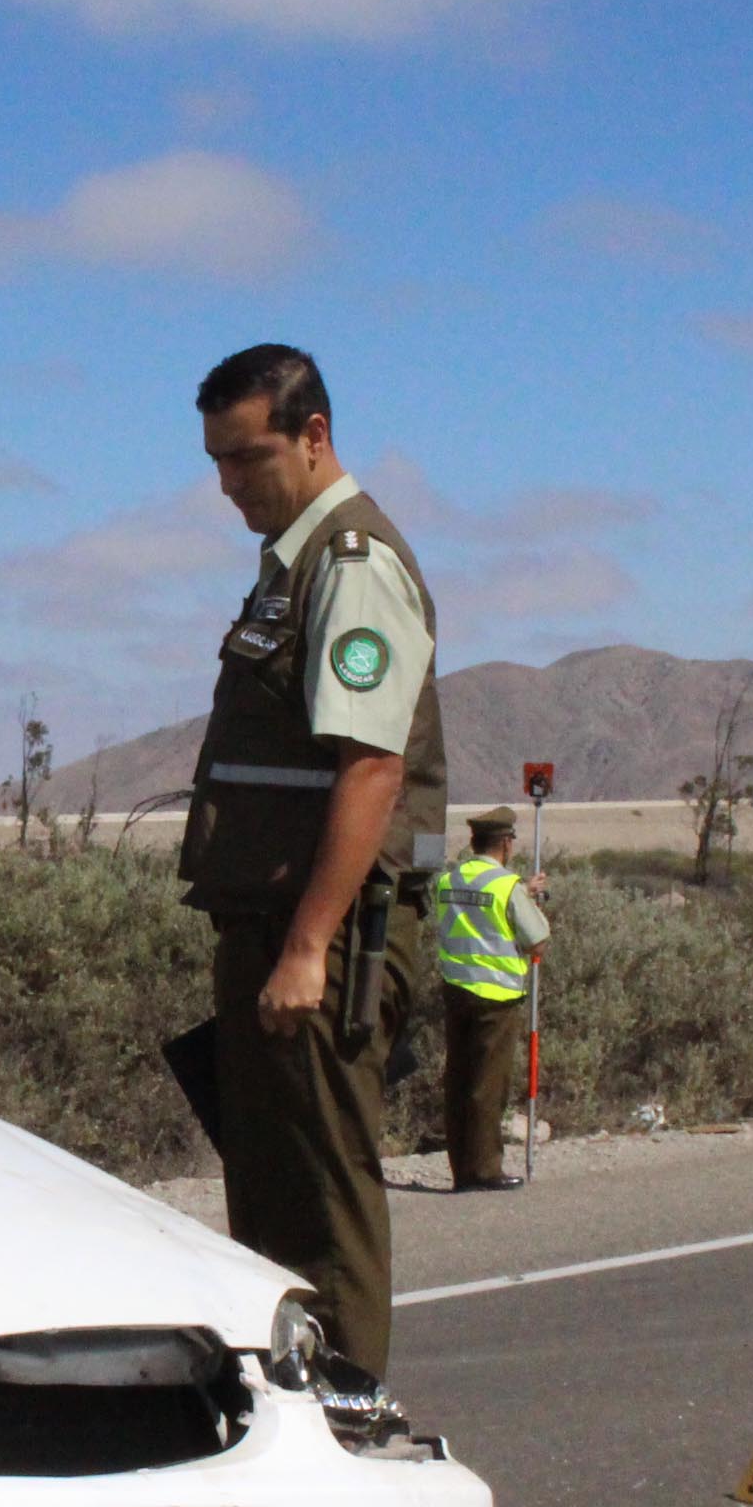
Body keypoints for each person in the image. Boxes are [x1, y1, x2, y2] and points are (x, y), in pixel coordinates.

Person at [179, 344, 446, 1379]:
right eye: (217, 461)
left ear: (314, 437)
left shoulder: (353, 565)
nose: (229, 484)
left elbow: (371, 771)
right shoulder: (293, 565)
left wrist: (307, 947)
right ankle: (300, 1412)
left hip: (326, 943)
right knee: (276, 1195)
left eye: (247, 458)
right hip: (278, 932)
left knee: (324, 1202)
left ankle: (350, 1414)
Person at [430, 807, 550, 1193]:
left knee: (459, 1079)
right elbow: (536, 940)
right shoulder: (505, 885)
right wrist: (529, 901)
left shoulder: (451, 879)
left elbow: (476, 912)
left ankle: (461, 1168)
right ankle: (484, 1169)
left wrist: (521, 891)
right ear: (506, 843)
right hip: (496, 995)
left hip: (456, 988)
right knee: (487, 1084)